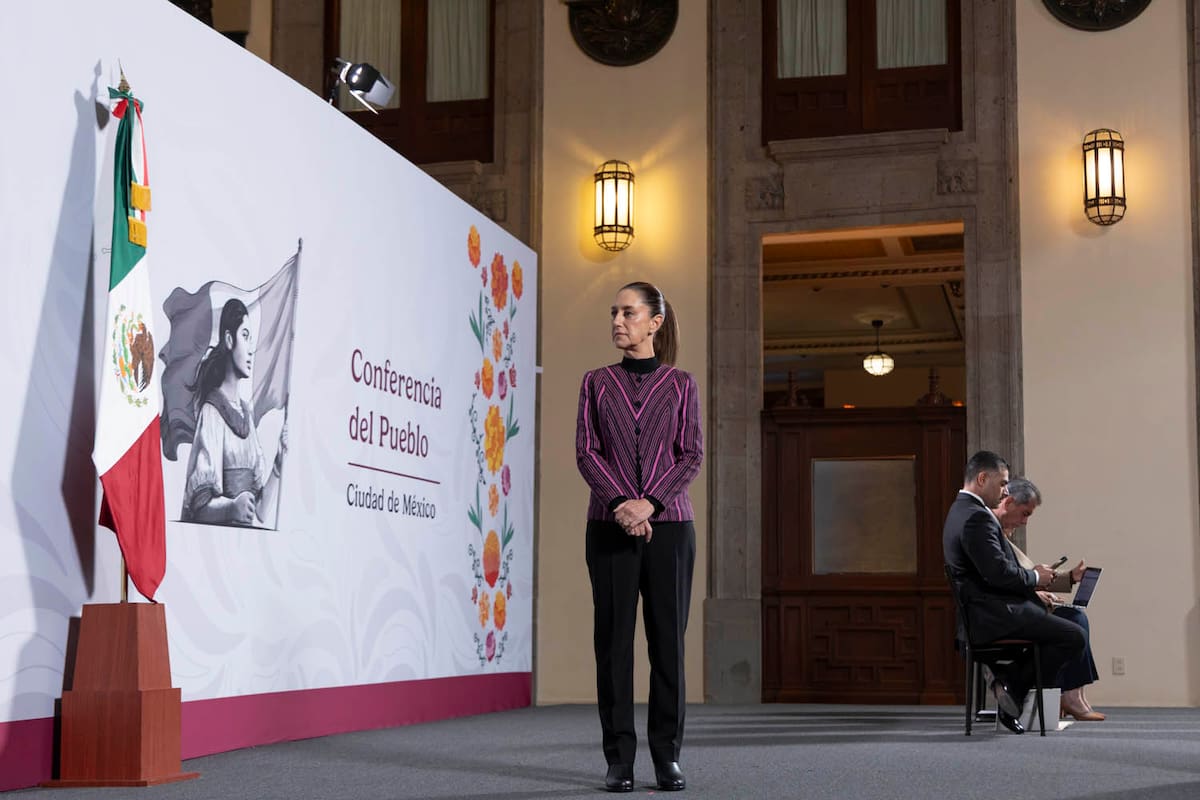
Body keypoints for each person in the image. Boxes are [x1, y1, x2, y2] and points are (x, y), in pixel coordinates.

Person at [576, 282, 703, 792]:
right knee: (612, 645)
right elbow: (587, 452)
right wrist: (620, 506)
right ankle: (619, 760)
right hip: (608, 528)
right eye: (614, 312)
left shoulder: (682, 385)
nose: (617, 321)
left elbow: (691, 454)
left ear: (654, 322)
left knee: (667, 646)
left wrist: (649, 503)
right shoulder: (595, 383)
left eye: (628, 313)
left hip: (670, 530)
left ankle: (667, 757)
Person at [942, 451, 1085, 734]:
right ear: (982, 479)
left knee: (1066, 628)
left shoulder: (959, 511)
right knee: (1073, 636)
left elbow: (995, 571)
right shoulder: (976, 518)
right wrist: (1036, 577)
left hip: (986, 613)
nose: (1005, 490)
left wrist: (1038, 581)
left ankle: (1010, 684)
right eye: (1002, 483)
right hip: (995, 616)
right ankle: (1011, 683)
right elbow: (999, 574)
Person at [995, 478, 1104, 721]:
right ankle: (1070, 695)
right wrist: (1035, 591)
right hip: (1012, 613)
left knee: (1076, 616)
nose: (1025, 522)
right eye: (1024, 514)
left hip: (1025, 606)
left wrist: (1070, 578)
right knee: (1075, 619)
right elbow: (1009, 582)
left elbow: (1026, 578)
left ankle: (1074, 694)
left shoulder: (1005, 538)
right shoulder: (993, 537)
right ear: (1008, 502)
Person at [181, 298, 287, 526]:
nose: (251, 349)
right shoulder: (212, 413)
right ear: (229, 340)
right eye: (245, 336)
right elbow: (199, 507)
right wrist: (231, 507)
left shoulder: (246, 415)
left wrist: (279, 464)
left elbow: (260, 512)